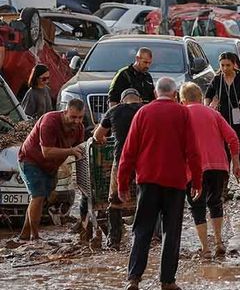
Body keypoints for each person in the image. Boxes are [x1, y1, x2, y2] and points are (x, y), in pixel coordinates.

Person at [118, 77, 202, 290]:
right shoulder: (183, 113)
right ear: (175, 95)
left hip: (147, 182)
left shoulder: (143, 113)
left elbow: (128, 152)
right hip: (175, 182)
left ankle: (134, 279)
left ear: (156, 93)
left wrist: (122, 182)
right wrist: (197, 180)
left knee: (142, 230)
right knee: (171, 232)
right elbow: (193, 151)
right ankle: (167, 281)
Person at [178, 82, 240, 258]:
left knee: (196, 207)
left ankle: (205, 248)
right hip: (218, 166)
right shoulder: (214, 113)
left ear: (182, 100)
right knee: (215, 202)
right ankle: (219, 242)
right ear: (200, 97)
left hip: (193, 169)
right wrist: (236, 163)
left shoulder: (181, 115)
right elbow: (233, 138)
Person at [16, 102, 85, 241]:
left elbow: (80, 150)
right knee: (38, 196)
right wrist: (70, 151)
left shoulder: (79, 128)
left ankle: (24, 235)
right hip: (30, 159)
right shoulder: (50, 121)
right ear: (65, 112)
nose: (76, 121)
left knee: (41, 199)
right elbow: (46, 152)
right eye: (73, 117)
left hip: (51, 166)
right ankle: (35, 238)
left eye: (80, 117)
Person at [94, 88, 145, 250]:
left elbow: (97, 135)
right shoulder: (145, 109)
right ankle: (150, 236)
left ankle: (114, 239)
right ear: (139, 99)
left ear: (122, 101)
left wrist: (103, 138)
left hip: (121, 159)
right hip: (144, 160)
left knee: (115, 200)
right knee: (146, 197)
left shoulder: (113, 111)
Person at [205, 52, 240, 199]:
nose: (225, 68)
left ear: (234, 64)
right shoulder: (217, 80)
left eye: (228, 65)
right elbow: (208, 94)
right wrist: (208, 107)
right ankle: (223, 190)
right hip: (223, 123)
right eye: (222, 65)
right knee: (224, 158)